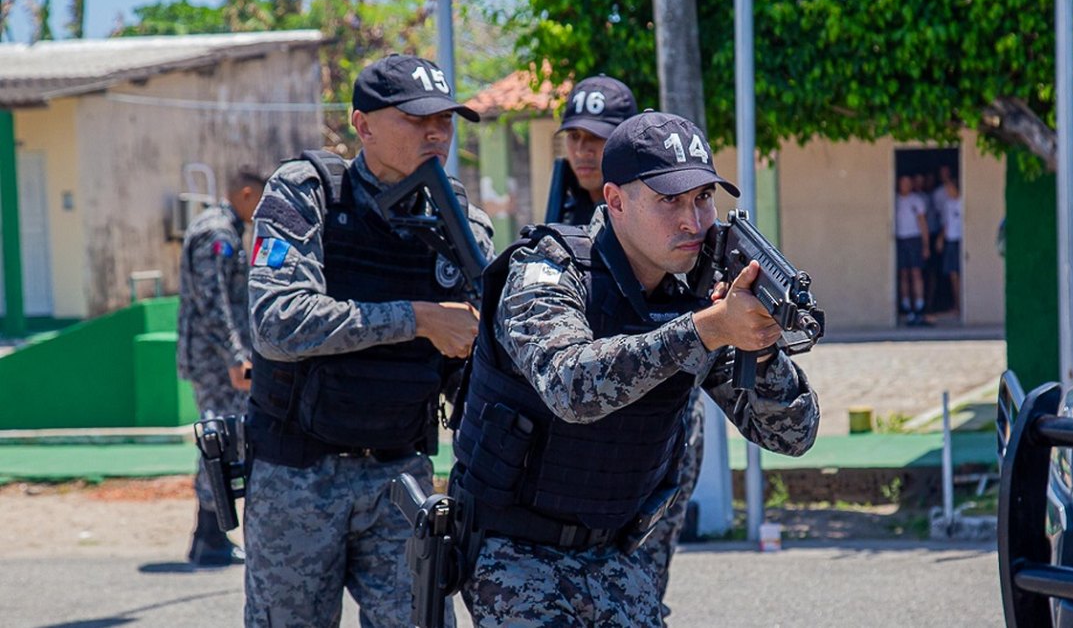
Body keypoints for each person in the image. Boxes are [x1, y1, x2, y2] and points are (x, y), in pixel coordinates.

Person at [452, 111, 820, 625]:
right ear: (616, 201)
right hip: (511, 549)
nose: (693, 221)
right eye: (669, 200)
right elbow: (568, 386)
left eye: (703, 198)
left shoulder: (698, 290)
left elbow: (792, 435)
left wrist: (759, 344)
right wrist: (706, 329)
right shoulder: (548, 269)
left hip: (613, 554)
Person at [243, 54, 494, 627]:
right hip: (299, 477)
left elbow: (476, 367)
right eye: (415, 118)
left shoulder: (464, 224)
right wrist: (419, 318)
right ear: (363, 125)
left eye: (445, 121)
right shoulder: (307, 193)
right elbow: (278, 322)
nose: (436, 132)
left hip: (399, 478)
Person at [549, 74, 698, 614]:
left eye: (598, 138)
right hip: (577, 408)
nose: (585, 151)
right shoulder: (558, 228)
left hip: (656, 405)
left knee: (643, 570)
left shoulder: (677, 237)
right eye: (575, 137)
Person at [176, 165, 265, 567]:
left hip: (215, 355)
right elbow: (213, 302)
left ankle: (208, 536)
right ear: (246, 193)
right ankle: (209, 537)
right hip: (215, 360)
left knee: (222, 440)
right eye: (260, 199)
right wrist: (234, 356)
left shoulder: (224, 229)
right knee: (218, 440)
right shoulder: (218, 234)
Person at [547, 75, 638, 225]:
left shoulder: (648, 214)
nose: (581, 151)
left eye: (596, 136)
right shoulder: (568, 213)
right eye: (574, 136)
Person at [895, 174, 930, 326]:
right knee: (903, 273)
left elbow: (923, 223)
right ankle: (906, 305)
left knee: (916, 273)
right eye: (903, 183)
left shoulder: (917, 200)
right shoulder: (894, 199)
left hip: (914, 238)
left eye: (908, 183)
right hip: (900, 239)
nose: (906, 186)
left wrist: (925, 245)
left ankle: (920, 305)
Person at [936, 167, 962, 316]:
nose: (947, 191)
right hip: (950, 241)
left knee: (962, 273)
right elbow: (947, 223)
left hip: (961, 241)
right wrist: (940, 239)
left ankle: (963, 305)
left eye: (950, 188)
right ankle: (956, 304)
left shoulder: (963, 202)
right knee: (953, 275)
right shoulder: (948, 204)